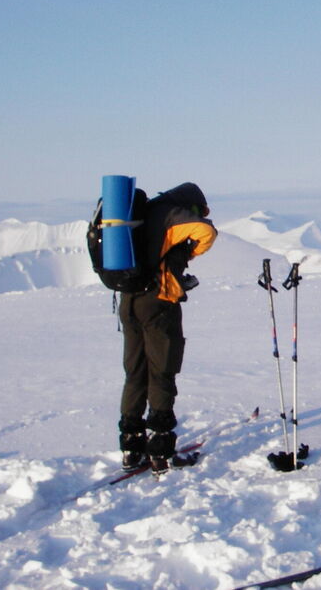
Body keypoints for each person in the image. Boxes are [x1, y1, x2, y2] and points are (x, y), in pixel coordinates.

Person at [117, 182, 217, 474]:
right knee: (162, 371)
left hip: (129, 301)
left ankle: (130, 447)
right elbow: (206, 232)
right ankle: (160, 451)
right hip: (158, 302)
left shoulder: (145, 214)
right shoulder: (171, 213)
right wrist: (190, 252)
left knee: (135, 372)